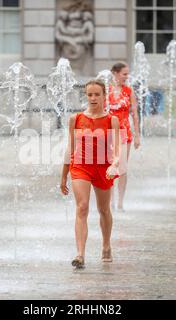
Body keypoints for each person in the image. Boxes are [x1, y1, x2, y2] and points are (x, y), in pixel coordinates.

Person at [60, 80, 120, 269]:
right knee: (82, 207)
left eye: (97, 94)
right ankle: (80, 254)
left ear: (104, 95)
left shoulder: (112, 120)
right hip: (80, 166)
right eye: (89, 94)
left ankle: (106, 245)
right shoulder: (75, 119)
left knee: (104, 210)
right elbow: (70, 148)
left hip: (103, 168)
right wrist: (63, 175)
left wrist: (114, 165)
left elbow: (117, 151)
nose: (93, 98)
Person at [108, 62, 141, 211]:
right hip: (108, 133)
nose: (127, 77)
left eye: (128, 74)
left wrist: (137, 135)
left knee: (122, 167)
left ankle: (120, 202)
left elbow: (135, 114)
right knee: (109, 167)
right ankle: (110, 201)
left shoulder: (129, 91)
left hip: (124, 132)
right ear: (115, 73)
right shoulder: (105, 90)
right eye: (124, 74)